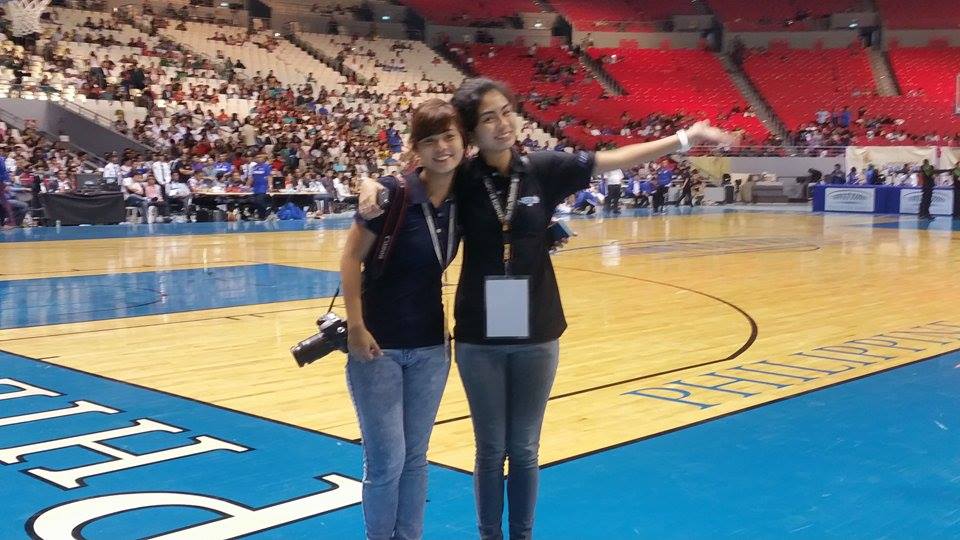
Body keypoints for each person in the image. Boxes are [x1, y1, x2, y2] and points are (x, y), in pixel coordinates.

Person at [359, 77, 738, 540]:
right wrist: (370, 183)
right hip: (479, 334)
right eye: (488, 118)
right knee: (489, 449)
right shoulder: (462, 176)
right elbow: (412, 179)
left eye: (507, 112)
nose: (502, 124)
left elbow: (614, 158)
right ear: (471, 131)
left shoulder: (544, 168)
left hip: (537, 330)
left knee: (524, 449)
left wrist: (685, 138)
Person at [340, 99, 465, 540]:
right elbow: (351, 258)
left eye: (449, 137)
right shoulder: (391, 195)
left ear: (464, 141)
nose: (442, 148)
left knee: (415, 458)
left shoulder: (464, 198)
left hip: (432, 349)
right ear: (415, 148)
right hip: (379, 347)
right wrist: (356, 327)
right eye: (430, 141)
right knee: (386, 460)